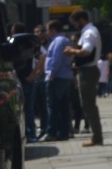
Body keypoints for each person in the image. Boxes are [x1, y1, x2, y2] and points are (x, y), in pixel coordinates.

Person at [65, 9, 103, 146]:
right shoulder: (90, 31)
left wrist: (71, 51)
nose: (75, 26)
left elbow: (86, 51)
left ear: (81, 20)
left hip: (88, 72)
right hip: (88, 70)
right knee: (87, 104)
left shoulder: (89, 33)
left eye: (75, 23)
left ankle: (97, 137)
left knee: (88, 105)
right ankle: (96, 135)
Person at [39, 19, 74, 142]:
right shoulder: (65, 40)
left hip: (56, 76)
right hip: (65, 76)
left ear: (53, 29)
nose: (47, 32)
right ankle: (64, 132)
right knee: (63, 106)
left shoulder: (58, 41)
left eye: (48, 29)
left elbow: (56, 59)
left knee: (52, 106)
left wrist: (51, 73)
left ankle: (51, 132)